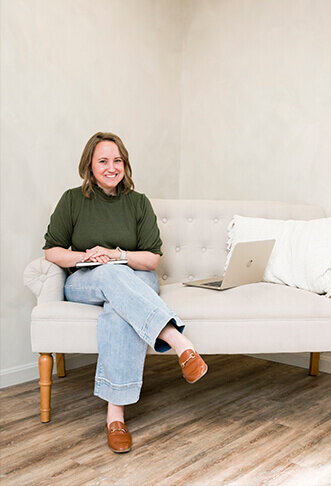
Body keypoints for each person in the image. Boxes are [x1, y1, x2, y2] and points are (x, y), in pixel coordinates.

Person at [43, 132, 208, 453]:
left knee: (119, 311)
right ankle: (178, 340)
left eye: (117, 160)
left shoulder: (138, 203)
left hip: (136, 277)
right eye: (103, 161)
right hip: (86, 278)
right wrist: (87, 258)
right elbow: (52, 251)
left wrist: (116, 255)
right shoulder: (72, 200)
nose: (111, 167)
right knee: (109, 274)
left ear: (125, 165)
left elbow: (151, 259)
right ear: (89, 165)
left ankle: (115, 417)